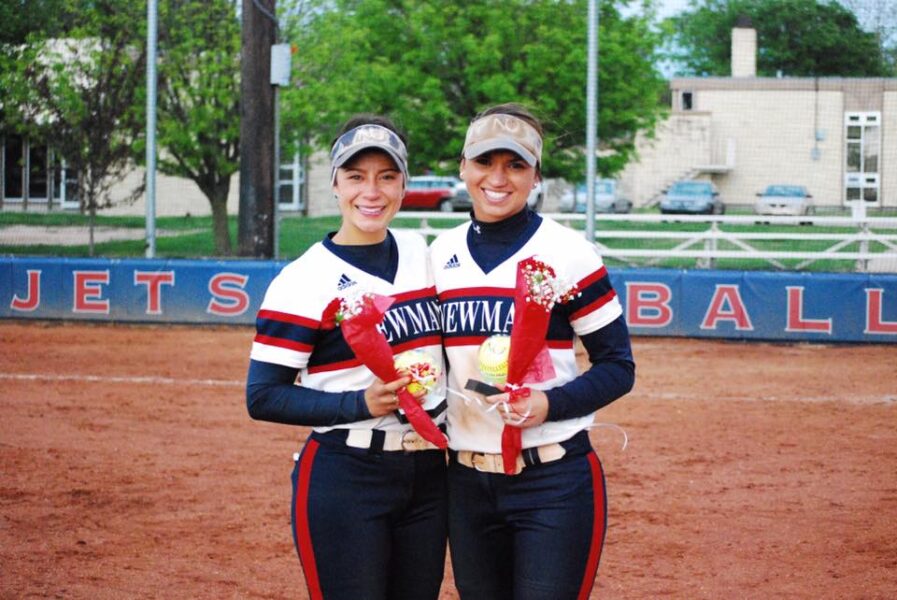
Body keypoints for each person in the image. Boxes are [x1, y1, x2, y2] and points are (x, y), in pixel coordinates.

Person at [429, 103, 635, 600]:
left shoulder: (569, 253)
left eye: (515, 164)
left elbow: (617, 366)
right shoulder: (438, 255)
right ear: (463, 166)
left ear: (535, 175)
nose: (497, 178)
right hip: (466, 481)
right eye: (484, 162)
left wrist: (550, 404)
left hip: (553, 480)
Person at [246, 115, 447, 600]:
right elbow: (263, 396)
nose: (371, 192)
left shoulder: (423, 253)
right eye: (356, 176)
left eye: (386, 176)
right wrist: (360, 403)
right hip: (347, 475)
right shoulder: (303, 279)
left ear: (404, 185)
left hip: (429, 477)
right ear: (335, 184)